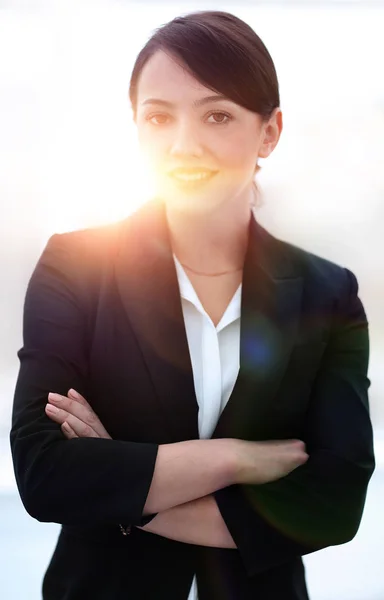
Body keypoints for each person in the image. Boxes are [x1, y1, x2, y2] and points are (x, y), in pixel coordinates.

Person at [10, 10, 375, 600]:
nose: (183, 144)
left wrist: (124, 490)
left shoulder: (328, 294)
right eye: (159, 116)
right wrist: (234, 459)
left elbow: (335, 502)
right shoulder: (74, 267)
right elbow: (45, 476)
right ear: (136, 127)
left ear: (269, 133)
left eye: (217, 114)